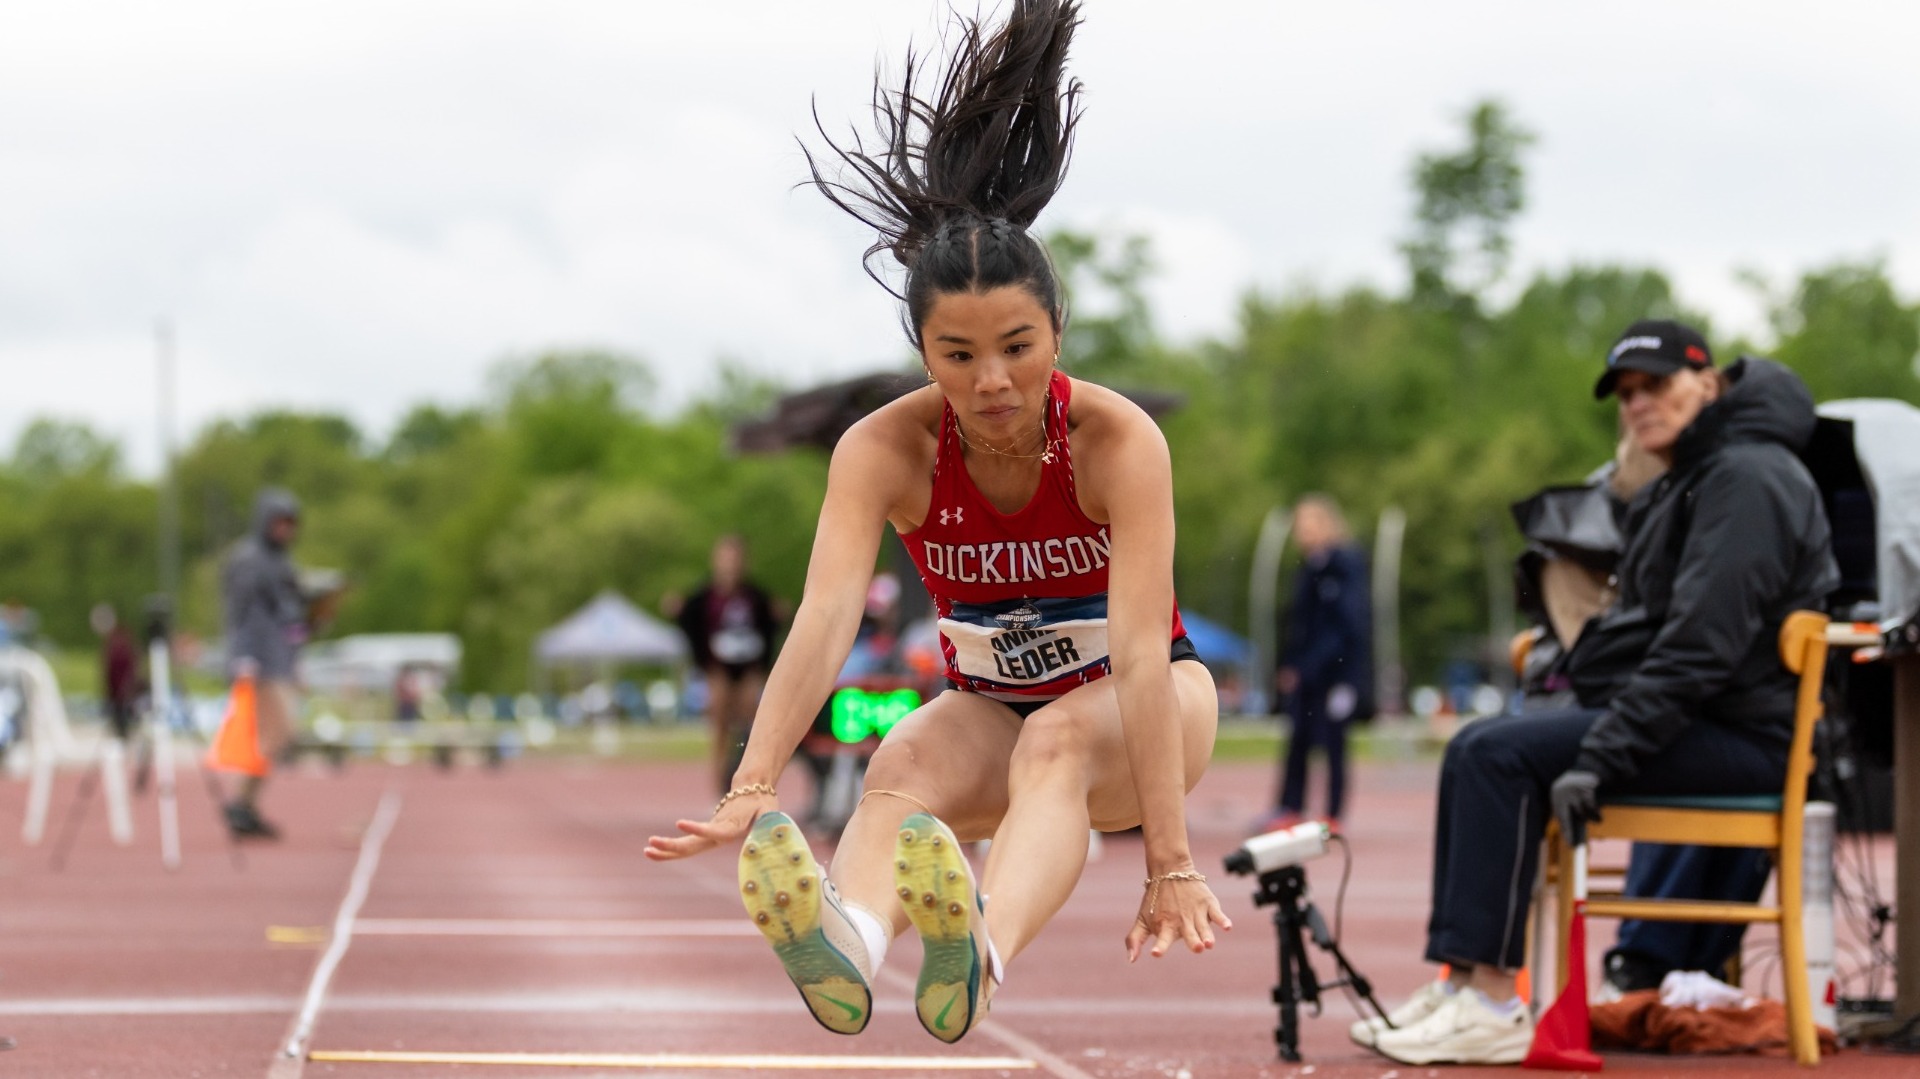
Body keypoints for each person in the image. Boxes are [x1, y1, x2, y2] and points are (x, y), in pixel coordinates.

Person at [646, 0, 1227, 1045]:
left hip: (1148, 713)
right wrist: (753, 779)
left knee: (1055, 736)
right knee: (900, 762)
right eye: (959, 356)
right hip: (990, 704)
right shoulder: (882, 448)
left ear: (1057, 329)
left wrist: (1171, 859)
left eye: (1017, 345)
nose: (993, 381)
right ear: (924, 353)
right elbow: (823, 618)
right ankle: (851, 941)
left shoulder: (1117, 440)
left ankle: (979, 953)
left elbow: (1139, 653)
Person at [1358, 320, 1838, 1065]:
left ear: (1707, 382)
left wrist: (1603, 752)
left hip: (1743, 740)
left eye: (1657, 384)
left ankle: (1491, 999)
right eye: (1626, 392)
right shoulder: (1691, 475)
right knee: (1477, 743)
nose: (1638, 403)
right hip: (1696, 719)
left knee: (1499, 757)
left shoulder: (1748, 479)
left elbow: (1698, 649)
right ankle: (1461, 983)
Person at [1267, 495, 1371, 831]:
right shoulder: (1310, 567)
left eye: (1308, 523)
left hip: (1337, 673)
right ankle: (1290, 807)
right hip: (1308, 672)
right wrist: (1292, 664)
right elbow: (1299, 624)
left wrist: (1321, 667)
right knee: (1298, 737)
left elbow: (1347, 626)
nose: (1301, 531)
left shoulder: (1345, 565)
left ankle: (1333, 813)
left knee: (1333, 741)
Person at [218, 488, 309, 840]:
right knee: (280, 732)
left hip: (280, 660)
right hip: (258, 663)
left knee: (275, 736)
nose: (286, 530)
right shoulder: (249, 560)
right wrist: (242, 658)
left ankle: (245, 804)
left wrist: (304, 635)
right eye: (280, 522)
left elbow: (289, 616)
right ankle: (240, 800)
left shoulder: (282, 563)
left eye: (291, 523)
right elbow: (239, 615)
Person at [671, 534, 780, 797]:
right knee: (719, 727)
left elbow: (770, 625)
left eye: (735, 559)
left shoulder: (755, 597)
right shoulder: (702, 598)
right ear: (716, 561)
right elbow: (689, 626)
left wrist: (760, 667)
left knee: (750, 727)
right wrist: (705, 665)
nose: (730, 565)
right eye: (726, 558)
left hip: (748, 668)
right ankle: (719, 791)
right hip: (717, 668)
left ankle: (747, 783)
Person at [92, 603, 142, 741]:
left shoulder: (116, 644)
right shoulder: (119, 641)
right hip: (122, 694)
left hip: (122, 695)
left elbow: (118, 671)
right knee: (121, 731)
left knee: (122, 731)